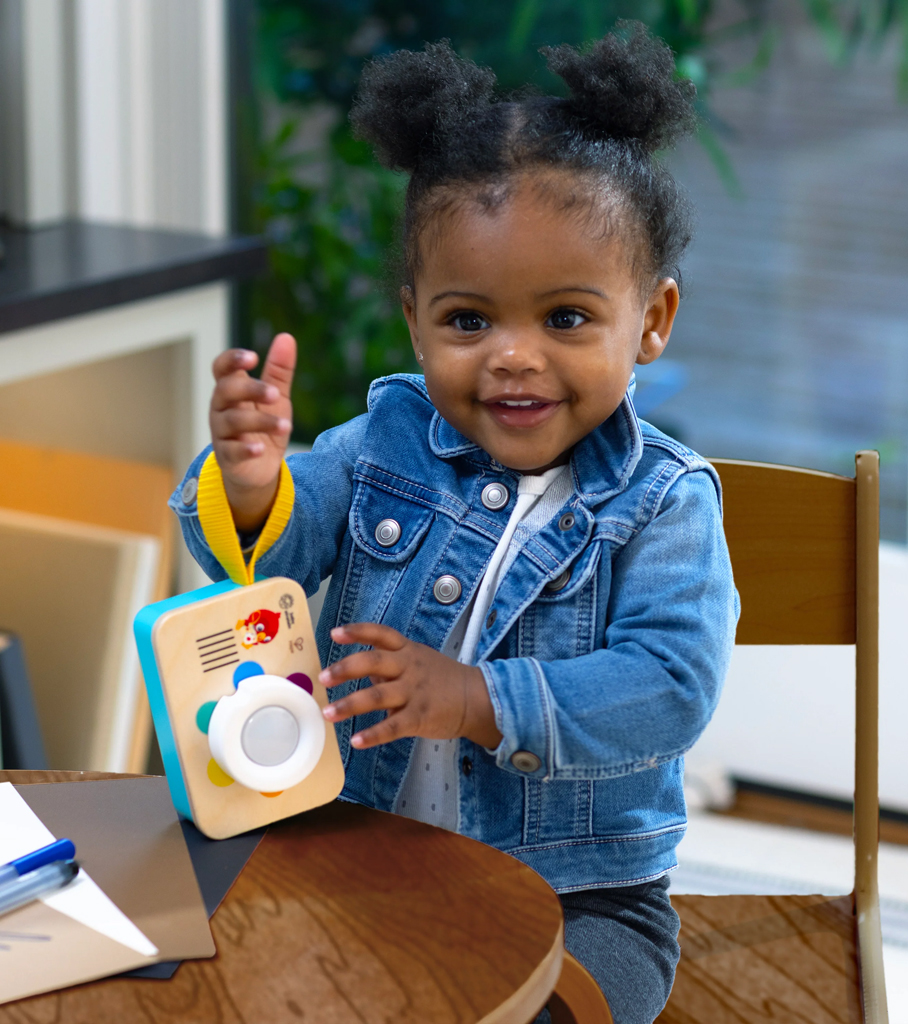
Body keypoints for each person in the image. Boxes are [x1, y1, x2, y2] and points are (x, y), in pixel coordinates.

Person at [171, 23, 738, 1024]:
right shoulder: (384, 440)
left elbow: (669, 688)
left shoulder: (664, 499)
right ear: (416, 319)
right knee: (238, 975)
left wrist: (478, 697)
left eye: (565, 318)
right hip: (365, 853)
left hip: (583, 897)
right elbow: (273, 562)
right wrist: (253, 487)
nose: (512, 356)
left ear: (651, 320)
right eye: (468, 320)